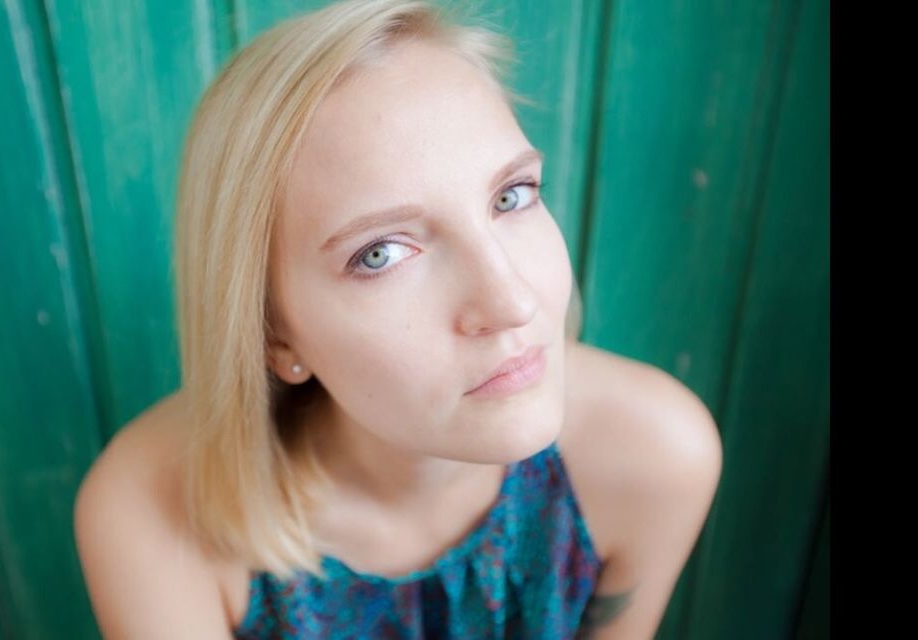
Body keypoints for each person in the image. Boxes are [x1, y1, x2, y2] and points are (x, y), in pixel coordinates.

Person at [74, 1, 722, 637]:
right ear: (273, 333)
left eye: (511, 196)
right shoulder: (152, 516)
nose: (512, 303)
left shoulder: (654, 457)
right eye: (381, 254)